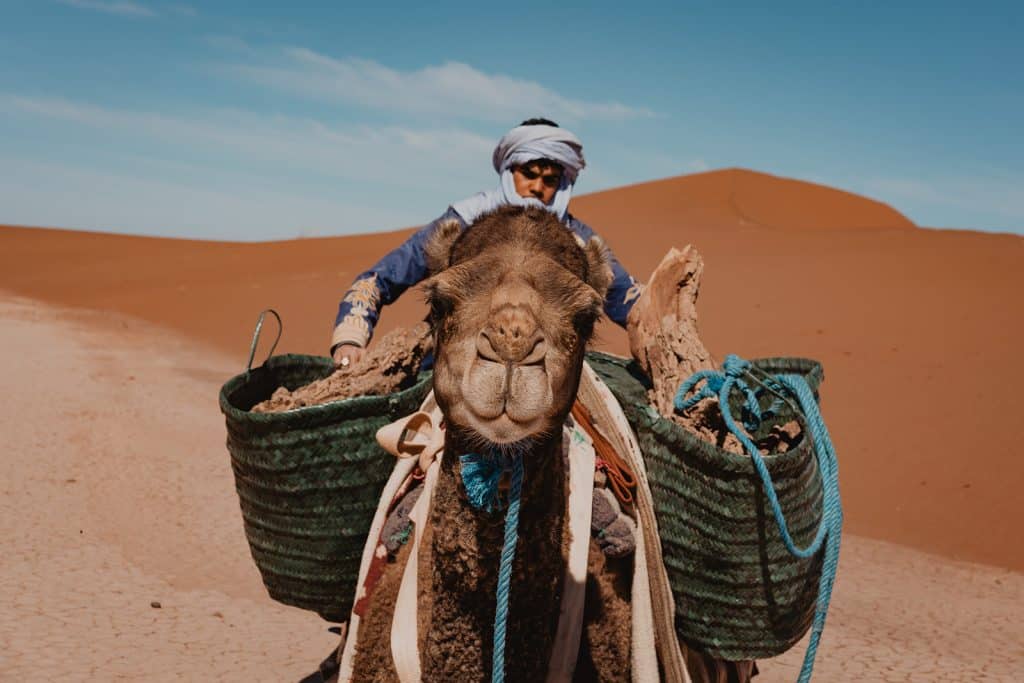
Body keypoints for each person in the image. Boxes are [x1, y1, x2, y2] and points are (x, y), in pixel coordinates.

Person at [331, 118, 642, 369]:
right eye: (529, 174)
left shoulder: (577, 241)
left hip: (550, 376)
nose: (537, 187)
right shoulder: (465, 222)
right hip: (454, 367)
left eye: (550, 180)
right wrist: (350, 341)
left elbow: (631, 302)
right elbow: (376, 281)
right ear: (510, 171)